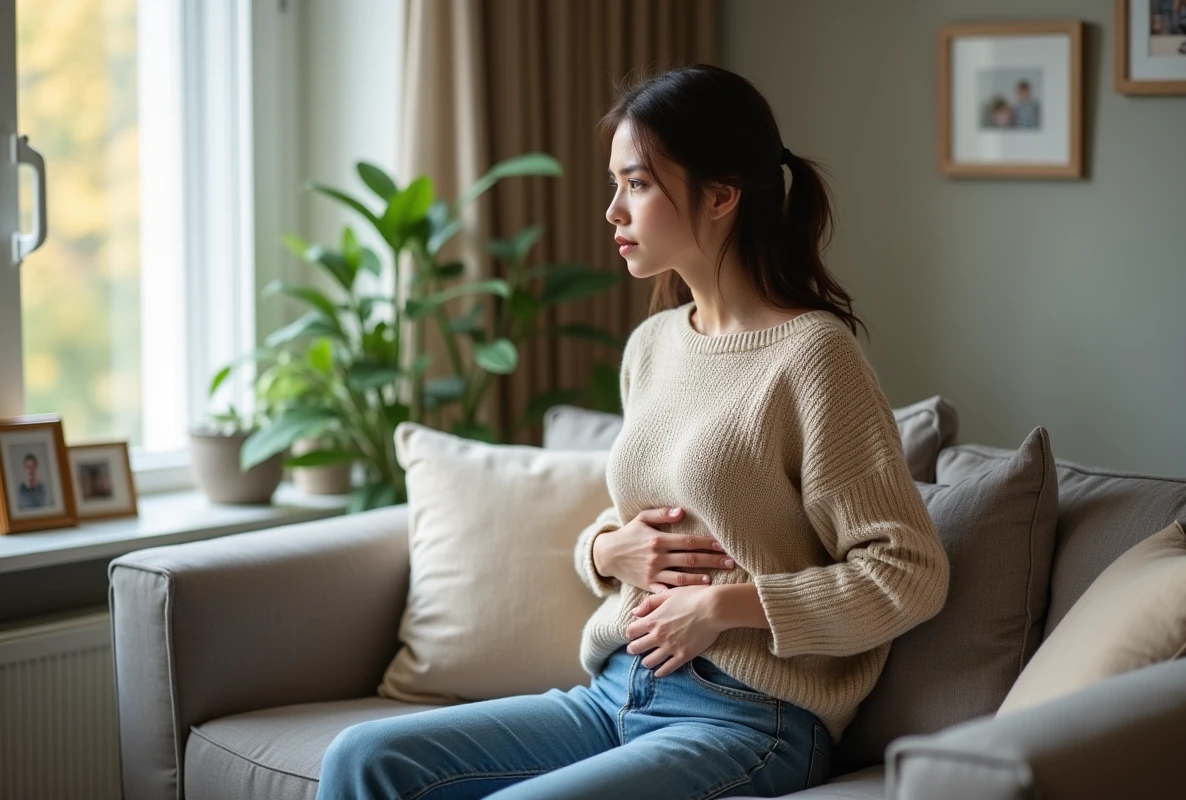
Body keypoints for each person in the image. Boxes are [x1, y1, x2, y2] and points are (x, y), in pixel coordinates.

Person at [315, 64, 951, 800]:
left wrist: (722, 607)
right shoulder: (651, 346)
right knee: (362, 759)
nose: (613, 210)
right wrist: (604, 548)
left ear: (722, 194)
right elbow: (648, 522)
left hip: (748, 722)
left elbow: (907, 570)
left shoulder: (814, 356)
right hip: (615, 690)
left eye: (638, 184)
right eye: (615, 183)